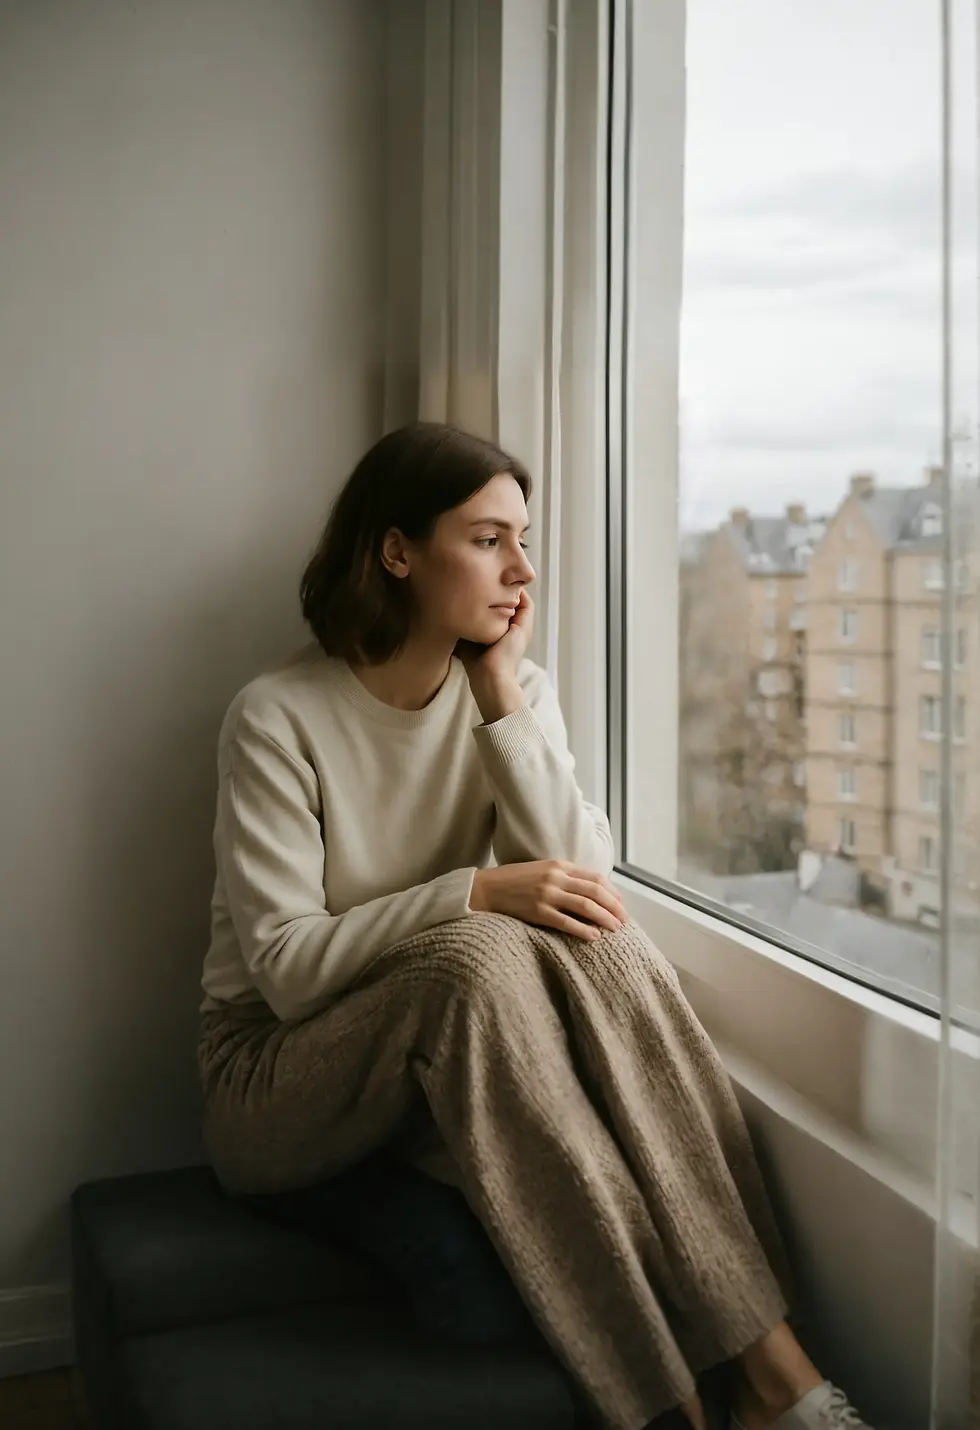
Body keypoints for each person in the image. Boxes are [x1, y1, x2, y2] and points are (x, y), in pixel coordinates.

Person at [196, 422, 873, 1430]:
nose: (521, 568)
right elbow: (289, 972)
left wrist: (500, 694)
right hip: (278, 1076)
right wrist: (473, 890)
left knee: (592, 936)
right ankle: (669, 1409)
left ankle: (777, 1377)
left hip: (439, 1058)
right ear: (397, 551)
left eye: (523, 537)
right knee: (482, 944)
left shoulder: (514, 693)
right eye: (486, 539)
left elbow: (588, 888)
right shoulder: (277, 715)